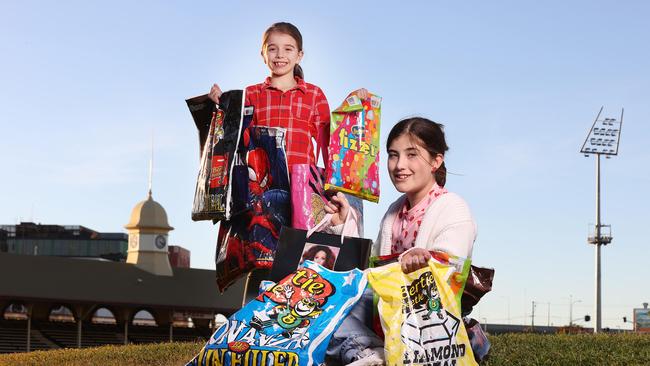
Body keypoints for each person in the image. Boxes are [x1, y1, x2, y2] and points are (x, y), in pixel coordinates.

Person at [324, 117, 478, 365]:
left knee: (336, 309)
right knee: (325, 304)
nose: (399, 165)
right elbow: (372, 272)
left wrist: (425, 258)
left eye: (411, 155)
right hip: (387, 309)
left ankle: (370, 352)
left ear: (436, 161)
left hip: (426, 317)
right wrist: (343, 224)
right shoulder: (395, 211)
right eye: (393, 155)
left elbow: (452, 269)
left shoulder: (453, 207)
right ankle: (374, 354)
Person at [208, 21, 330, 168]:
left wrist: (352, 107)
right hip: (261, 184)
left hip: (302, 184)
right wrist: (224, 106)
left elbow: (331, 142)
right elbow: (240, 139)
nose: (280, 55)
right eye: (272, 49)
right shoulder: (251, 94)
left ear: (299, 55)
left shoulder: (314, 94)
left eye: (288, 49)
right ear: (263, 55)